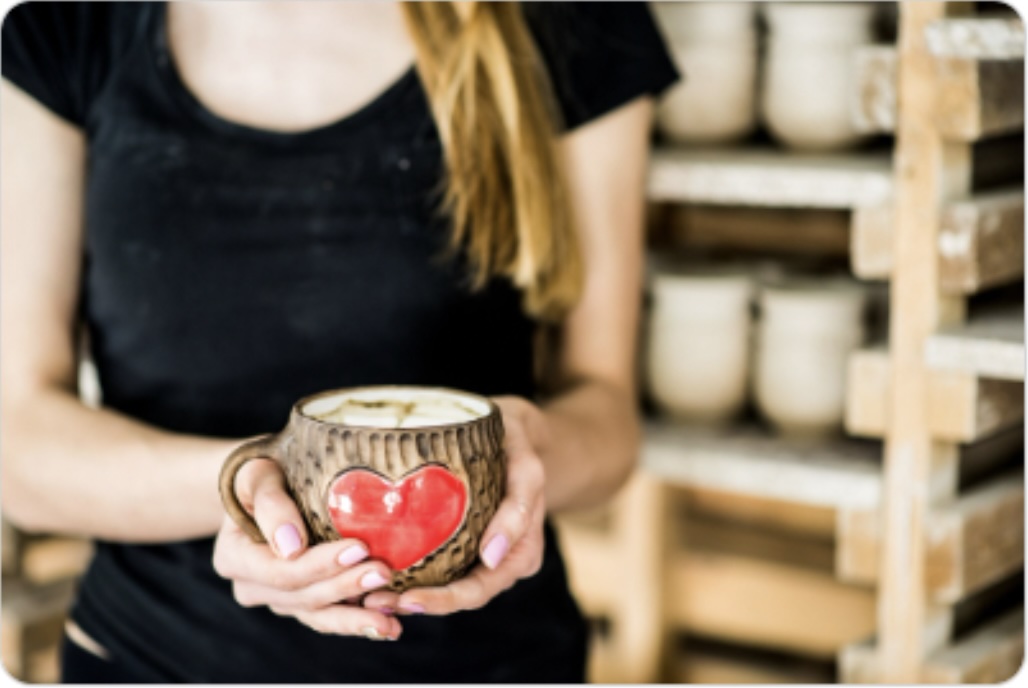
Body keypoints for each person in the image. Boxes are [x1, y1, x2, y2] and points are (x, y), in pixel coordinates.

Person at [1, 1, 677, 682]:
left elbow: (609, 415)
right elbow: (18, 446)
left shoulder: (566, 20)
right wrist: (246, 485)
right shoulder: (64, 35)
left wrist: (534, 452)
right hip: (148, 659)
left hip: (490, 661)